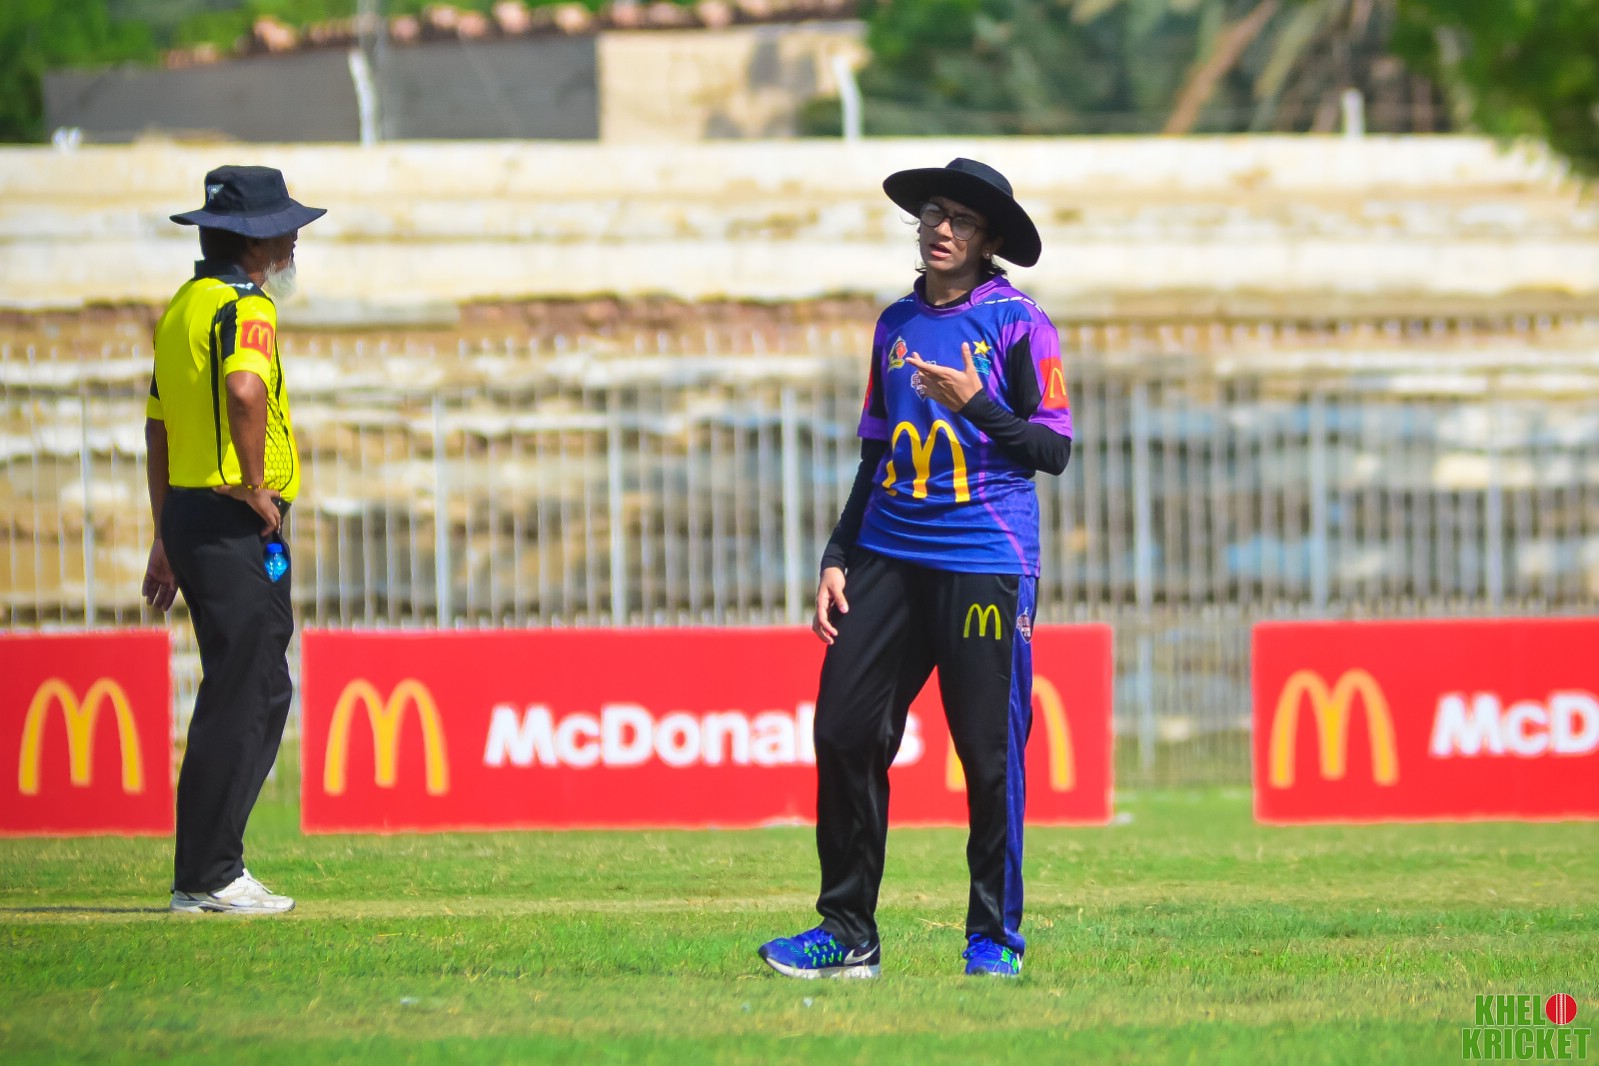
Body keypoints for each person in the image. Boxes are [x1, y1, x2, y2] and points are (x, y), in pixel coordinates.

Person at [757, 158, 1072, 978]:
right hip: (888, 554)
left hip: (983, 560)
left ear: (987, 239)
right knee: (844, 729)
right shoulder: (894, 324)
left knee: (987, 754)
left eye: (961, 220)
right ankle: (846, 934)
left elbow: (1052, 450)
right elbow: (875, 453)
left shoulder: (1020, 324)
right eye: (932, 213)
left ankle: (992, 938)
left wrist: (976, 404)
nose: (941, 229)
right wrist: (837, 554)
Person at [141, 165, 325, 914]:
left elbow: (158, 429)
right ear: (255, 242)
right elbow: (245, 390)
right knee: (245, 685)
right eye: (284, 231)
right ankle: (210, 876)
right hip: (234, 516)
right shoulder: (246, 307)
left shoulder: (182, 307)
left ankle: (208, 870)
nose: (292, 242)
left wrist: (164, 535)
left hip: (193, 516)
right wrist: (253, 485)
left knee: (258, 683)